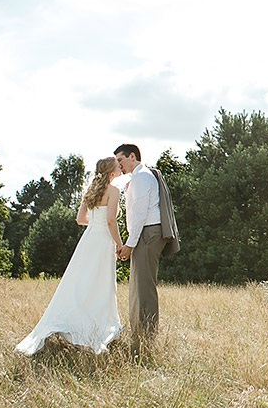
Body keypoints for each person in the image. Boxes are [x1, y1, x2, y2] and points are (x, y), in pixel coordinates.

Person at [16, 156, 124, 355]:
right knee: (100, 283)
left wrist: (93, 223)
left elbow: (79, 219)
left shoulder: (90, 191)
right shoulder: (114, 191)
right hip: (102, 241)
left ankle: (75, 319)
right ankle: (95, 324)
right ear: (111, 172)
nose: (121, 168)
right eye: (118, 167)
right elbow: (111, 221)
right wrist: (120, 243)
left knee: (81, 281)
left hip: (88, 238)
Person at [114, 143, 179, 352]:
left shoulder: (142, 177)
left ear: (132, 156)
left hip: (148, 234)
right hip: (146, 233)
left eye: (120, 160)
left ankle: (146, 340)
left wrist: (129, 244)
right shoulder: (138, 179)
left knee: (143, 288)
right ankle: (138, 335)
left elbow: (139, 214)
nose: (119, 165)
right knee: (137, 287)